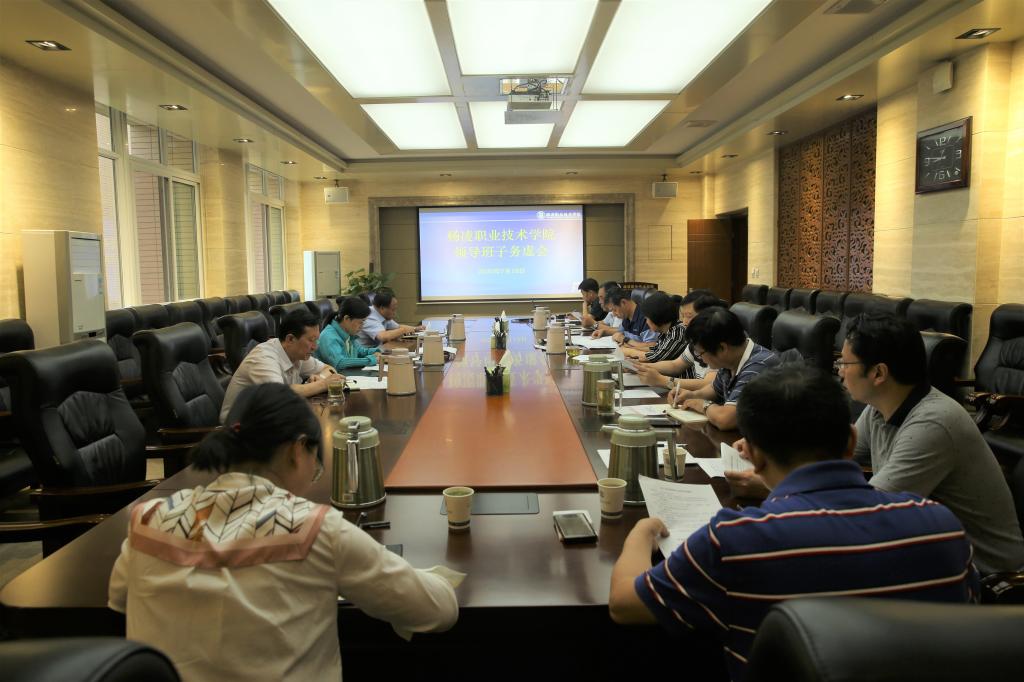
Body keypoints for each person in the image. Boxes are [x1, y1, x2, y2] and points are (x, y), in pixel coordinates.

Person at [609, 366, 977, 681]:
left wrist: (641, 533)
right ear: (852, 441)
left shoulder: (735, 540)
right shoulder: (943, 526)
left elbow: (624, 605)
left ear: (752, 455)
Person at [110, 383, 459, 682]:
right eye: (316, 462)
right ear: (297, 449)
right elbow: (438, 611)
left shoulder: (148, 519)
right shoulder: (313, 528)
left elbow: (120, 598)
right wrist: (433, 578)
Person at [841, 313, 1024, 574]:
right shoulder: (879, 408)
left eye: (845, 363)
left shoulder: (934, 423)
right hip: (933, 553)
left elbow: (869, 512)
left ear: (878, 373)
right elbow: (831, 458)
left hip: (981, 575)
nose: (840, 371)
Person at [220, 308, 344, 422]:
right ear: (290, 339)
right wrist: (323, 384)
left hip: (273, 416)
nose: (315, 347)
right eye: (311, 340)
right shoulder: (263, 357)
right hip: (239, 426)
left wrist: (321, 377)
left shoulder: (297, 353)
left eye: (317, 340)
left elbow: (329, 369)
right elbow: (279, 395)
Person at [670, 306, 779, 430]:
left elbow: (726, 419)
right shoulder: (732, 358)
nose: (701, 358)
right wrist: (691, 395)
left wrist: (703, 405)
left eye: (700, 353)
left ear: (722, 348)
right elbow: (715, 389)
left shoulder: (759, 366)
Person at [634, 290, 723, 391]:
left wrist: (662, 380)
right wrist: (640, 366)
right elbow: (675, 365)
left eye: (689, 316)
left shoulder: (718, 344)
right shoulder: (695, 341)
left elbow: (710, 384)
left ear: (709, 315)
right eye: (683, 316)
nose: (684, 322)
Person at [314, 296, 383, 370]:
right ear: (346, 318)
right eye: (360, 322)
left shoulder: (348, 333)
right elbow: (339, 363)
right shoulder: (328, 336)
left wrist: (376, 352)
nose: (362, 327)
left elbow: (361, 351)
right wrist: (370, 360)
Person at [621, 292, 687, 362]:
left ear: (656, 317)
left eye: (647, 318)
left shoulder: (678, 331)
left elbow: (657, 357)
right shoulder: (665, 332)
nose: (646, 322)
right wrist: (632, 348)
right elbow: (656, 348)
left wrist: (630, 352)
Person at [356, 288, 423, 347]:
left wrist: (416, 328)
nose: (395, 313)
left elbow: (398, 327)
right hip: (364, 353)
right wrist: (403, 330)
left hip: (376, 350)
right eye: (393, 310)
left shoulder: (383, 315)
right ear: (382, 308)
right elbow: (383, 336)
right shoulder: (369, 316)